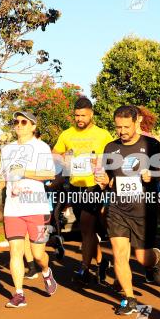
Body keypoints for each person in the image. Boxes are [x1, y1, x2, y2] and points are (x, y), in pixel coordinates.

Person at [94, 105, 160, 315]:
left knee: (141, 257)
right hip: (118, 208)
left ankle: (155, 261)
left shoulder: (150, 143)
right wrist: (103, 180)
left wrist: (151, 175)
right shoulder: (110, 147)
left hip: (144, 208)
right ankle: (129, 298)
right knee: (119, 253)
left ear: (137, 122)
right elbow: (108, 178)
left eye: (126, 127)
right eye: (118, 127)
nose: (122, 131)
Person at [0, 110, 58, 308]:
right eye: (16, 122)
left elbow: (49, 174)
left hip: (37, 206)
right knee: (15, 252)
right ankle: (19, 294)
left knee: (38, 255)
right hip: (13, 208)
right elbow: (4, 174)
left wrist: (24, 172)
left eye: (24, 122)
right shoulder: (7, 149)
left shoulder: (41, 147)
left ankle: (46, 273)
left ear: (33, 127)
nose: (19, 125)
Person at [52, 97, 112, 285]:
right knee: (88, 230)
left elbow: (113, 156)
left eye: (83, 115)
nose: (79, 118)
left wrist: (101, 164)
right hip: (75, 186)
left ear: (91, 114)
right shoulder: (67, 134)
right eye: (77, 115)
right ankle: (102, 262)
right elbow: (55, 154)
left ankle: (84, 268)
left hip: (94, 186)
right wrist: (63, 161)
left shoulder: (102, 134)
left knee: (86, 226)